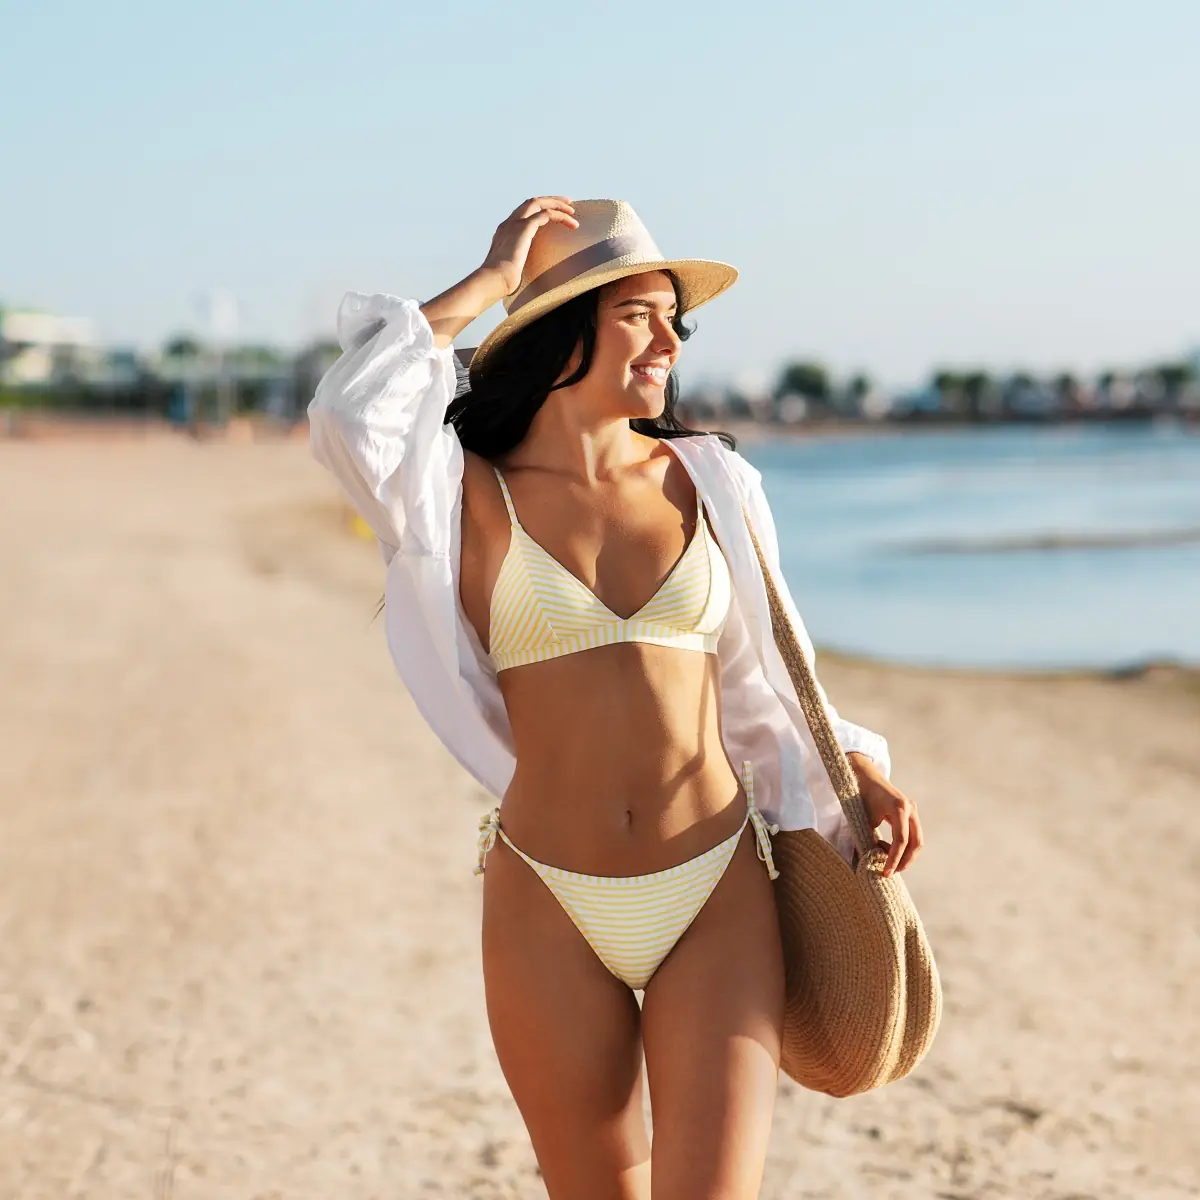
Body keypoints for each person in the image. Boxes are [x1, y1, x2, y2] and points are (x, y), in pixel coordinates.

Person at [308, 196, 923, 1199]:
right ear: (565, 326)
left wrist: (856, 767)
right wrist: (493, 281)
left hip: (716, 886)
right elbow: (351, 412)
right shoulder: (462, 494)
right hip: (547, 894)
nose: (670, 339)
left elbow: (768, 681)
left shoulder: (712, 480)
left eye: (678, 318)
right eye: (640, 312)